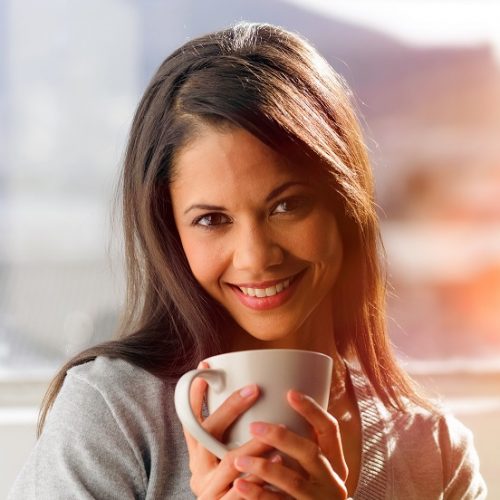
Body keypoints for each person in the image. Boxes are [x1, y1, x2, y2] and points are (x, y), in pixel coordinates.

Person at [9, 22, 487, 499]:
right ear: (171, 231)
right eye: (213, 220)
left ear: (344, 206)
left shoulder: (434, 453)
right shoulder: (114, 415)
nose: (257, 257)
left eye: (287, 205)